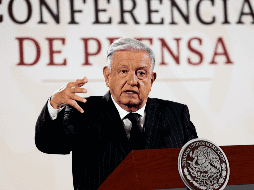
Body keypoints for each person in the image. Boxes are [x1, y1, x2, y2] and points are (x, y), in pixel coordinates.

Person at [35, 38, 198, 190]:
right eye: (123, 71)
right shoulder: (83, 111)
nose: (133, 81)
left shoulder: (176, 114)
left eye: (141, 73)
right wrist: (54, 104)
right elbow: (48, 144)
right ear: (108, 76)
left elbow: (197, 166)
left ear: (152, 80)